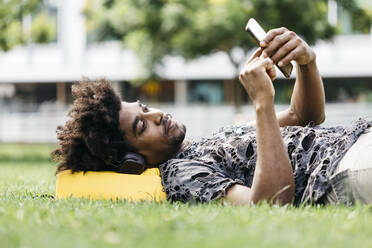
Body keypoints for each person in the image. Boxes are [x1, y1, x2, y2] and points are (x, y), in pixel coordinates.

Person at [52, 27, 372, 206]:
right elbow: (270, 205)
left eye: (146, 109)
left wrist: (305, 61)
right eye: (141, 125)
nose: (158, 115)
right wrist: (262, 103)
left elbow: (305, 115)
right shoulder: (181, 174)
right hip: (342, 170)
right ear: (132, 162)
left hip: (358, 140)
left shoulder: (207, 142)